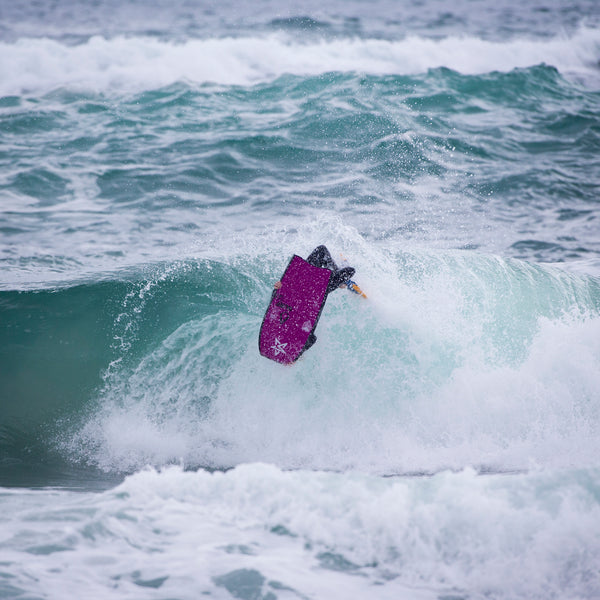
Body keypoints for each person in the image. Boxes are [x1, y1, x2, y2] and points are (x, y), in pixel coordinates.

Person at [274, 245, 357, 353]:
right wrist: (297, 356)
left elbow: (277, 302)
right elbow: (312, 339)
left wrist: (278, 288)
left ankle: (337, 273)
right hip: (320, 288)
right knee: (349, 271)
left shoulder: (281, 321)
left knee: (321, 250)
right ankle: (341, 281)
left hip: (302, 279)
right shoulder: (304, 329)